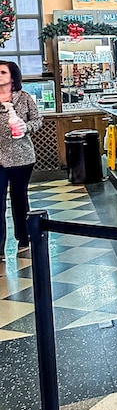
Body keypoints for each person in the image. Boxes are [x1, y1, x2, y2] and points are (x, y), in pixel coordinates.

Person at [0, 61, 42, 261]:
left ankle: (23, 239)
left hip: (21, 157)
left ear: (12, 76)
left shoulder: (24, 98)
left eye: (2, 72)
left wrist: (25, 127)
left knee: (19, 198)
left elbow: (37, 120)